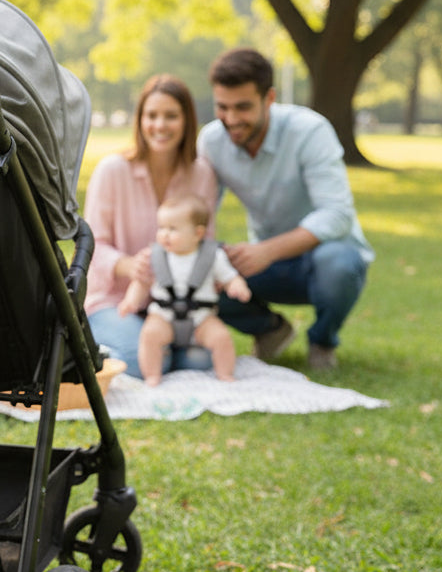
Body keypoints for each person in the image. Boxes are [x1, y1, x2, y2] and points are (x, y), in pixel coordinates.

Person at [198, 48, 374, 371]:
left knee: (340, 265)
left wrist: (266, 250)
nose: (232, 119)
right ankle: (271, 331)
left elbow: (337, 214)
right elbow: (198, 210)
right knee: (199, 266)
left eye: (243, 107)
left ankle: (322, 341)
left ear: (269, 98)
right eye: (222, 107)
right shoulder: (211, 140)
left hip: (322, 258)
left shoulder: (310, 131)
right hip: (264, 268)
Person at [83, 74, 219, 376]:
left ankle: (162, 352)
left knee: (203, 360)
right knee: (139, 361)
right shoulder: (112, 170)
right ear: (140, 120)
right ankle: (91, 346)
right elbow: (91, 245)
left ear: (186, 120)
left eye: (171, 116)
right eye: (152, 115)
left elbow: (205, 241)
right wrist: (129, 266)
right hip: (114, 300)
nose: (160, 125)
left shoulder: (201, 174)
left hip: (176, 307)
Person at [117, 194, 250, 386]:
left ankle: (225, 374)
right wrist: (131, 301)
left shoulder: (213, 256)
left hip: (201, 317)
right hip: (163, 315)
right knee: (150, 335)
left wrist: (238, 286)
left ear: (198, 233)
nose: (164, 234)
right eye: (161, 228)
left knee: (221, 337)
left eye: (172, 229)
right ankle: (152, 376)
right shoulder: (154, 256)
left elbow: (229, 277)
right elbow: (142, 282)